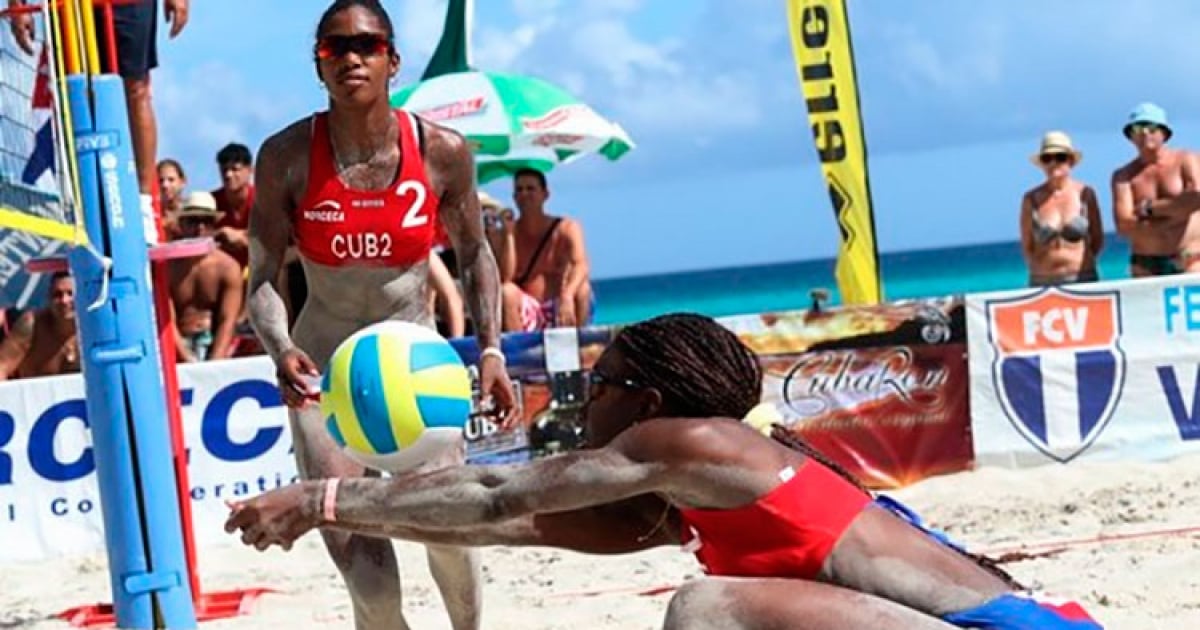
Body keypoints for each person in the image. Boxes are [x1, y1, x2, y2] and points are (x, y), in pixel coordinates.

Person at [227, 313, 1102, 629]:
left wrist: (320, 493)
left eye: (600, 386)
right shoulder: (694, 496)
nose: (585, 404)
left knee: (702, 609)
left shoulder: (697, 443)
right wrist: (332, 513)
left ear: (648, 403)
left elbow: (498, 489)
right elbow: (508, 522)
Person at [243, 1, 514, 628]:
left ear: (393, 60)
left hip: (414, 366)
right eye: (333, 47)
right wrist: (280, 347)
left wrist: (491, 350)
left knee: (450, 535)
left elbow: (475, 256)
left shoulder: (441, 150)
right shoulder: (286, 155)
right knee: (366, 574)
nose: (350, 58)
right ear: (318, 65)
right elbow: (261, 279)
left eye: (365, 45)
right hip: (325, 373)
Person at [9, 0, 189, 243]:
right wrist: (17, 5)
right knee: (74, 91)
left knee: (137, 89)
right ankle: (84, 206)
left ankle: (143, 204)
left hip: (130, 5)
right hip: (71, 6)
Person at [1112, 102, 1200, 276]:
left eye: (1151, 127)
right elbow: (1124, 225)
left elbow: (1196, 197)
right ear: (1131, 136)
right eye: (1138, 128)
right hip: (1146, 264)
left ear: (1164, 133)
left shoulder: (1185, 159)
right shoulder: (1124, 176)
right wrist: (1177, 212)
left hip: (1190, 259)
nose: (1145, 133)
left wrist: (1149, 208)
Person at [499, 169, 593, 331]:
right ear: (514, 197)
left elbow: (581, 264)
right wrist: (509, 235)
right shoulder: (509, 234)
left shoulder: (566, 228)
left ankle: (578, 340)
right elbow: (506, 278)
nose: (524, 194)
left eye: (530, 189)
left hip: (560, 305)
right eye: (519, 190)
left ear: (545, 194)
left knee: (583, 289)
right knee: (507, 292)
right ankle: (519, 346)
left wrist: (567, 295)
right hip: (529, 311)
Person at [1020, 131, 1104, 286]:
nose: (1053, 163)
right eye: (1047, 158)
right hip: (1043, 280)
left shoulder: (1085, 194)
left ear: (1070, 161)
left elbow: (1097, 239)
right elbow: (1027, 245)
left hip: (1082, 277)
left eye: (1060, 157)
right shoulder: (1031, 199)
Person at [167, 192, 244, 361]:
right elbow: (167, 321)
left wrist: (214, 363)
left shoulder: (228, 267)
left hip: (215, 344)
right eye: (193, 220)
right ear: (181, 224)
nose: (200, 228)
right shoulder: (168, 269)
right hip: (177, 348)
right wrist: (186, 360)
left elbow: (228, 320)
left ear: (215, 225)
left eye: (207, 221)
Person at [0, 271, 79, 380]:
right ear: (49, 299)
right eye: (57, 295)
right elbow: (2, 366)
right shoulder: (32, 326)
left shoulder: (95, 329)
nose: (64, 300)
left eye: (71, 294)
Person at [210, 142, 255, 268]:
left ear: (250, 170)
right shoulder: (210, 203)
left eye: (235, 169)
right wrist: (219, 234)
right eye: (224, 170)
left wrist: (243, 238)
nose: (228, 175)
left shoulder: (264, 200)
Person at [158, 158, 188, 240]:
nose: (165, 185)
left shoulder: (191, 209)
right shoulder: (153, 214)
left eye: (171, 180)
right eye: (160, 181)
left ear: (182, 182)